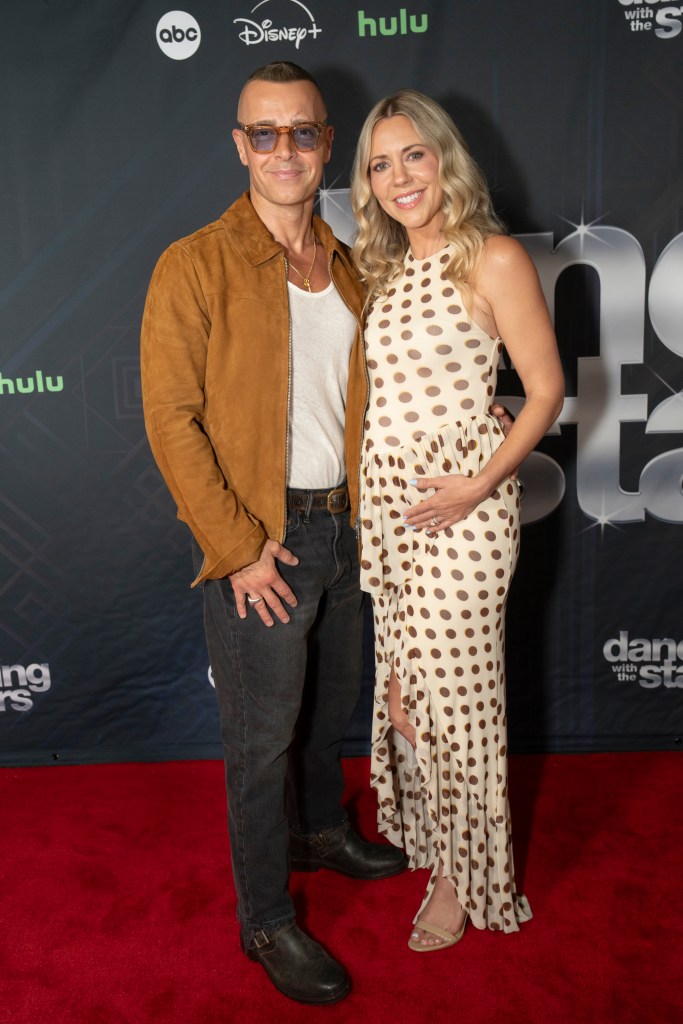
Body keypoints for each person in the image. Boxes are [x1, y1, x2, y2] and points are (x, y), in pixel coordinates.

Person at [140, 62, 407, 1005]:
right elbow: (172, 421)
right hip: (263, 538)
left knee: (328, 712)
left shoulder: (352, 263)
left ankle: (320, 831)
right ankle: (264, 918)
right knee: (260, 743)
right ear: (239, 145)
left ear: (327, 143)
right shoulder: (194, 264)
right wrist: (239, 548)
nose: (284, 149)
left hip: (346, 524)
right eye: (265, 132)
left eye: (302, 131)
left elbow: (390, 391)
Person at [350, 90, 564, 950]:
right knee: (405, 703)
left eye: (414, 155)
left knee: (456, 703)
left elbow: (543, 391)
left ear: (446, 159)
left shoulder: (493, 257)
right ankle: (438, 840)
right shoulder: (381, 271)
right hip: (392, 518)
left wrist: (477, 484)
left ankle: (463, 876)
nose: (399, 177)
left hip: (466, 518)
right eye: (379, 164)